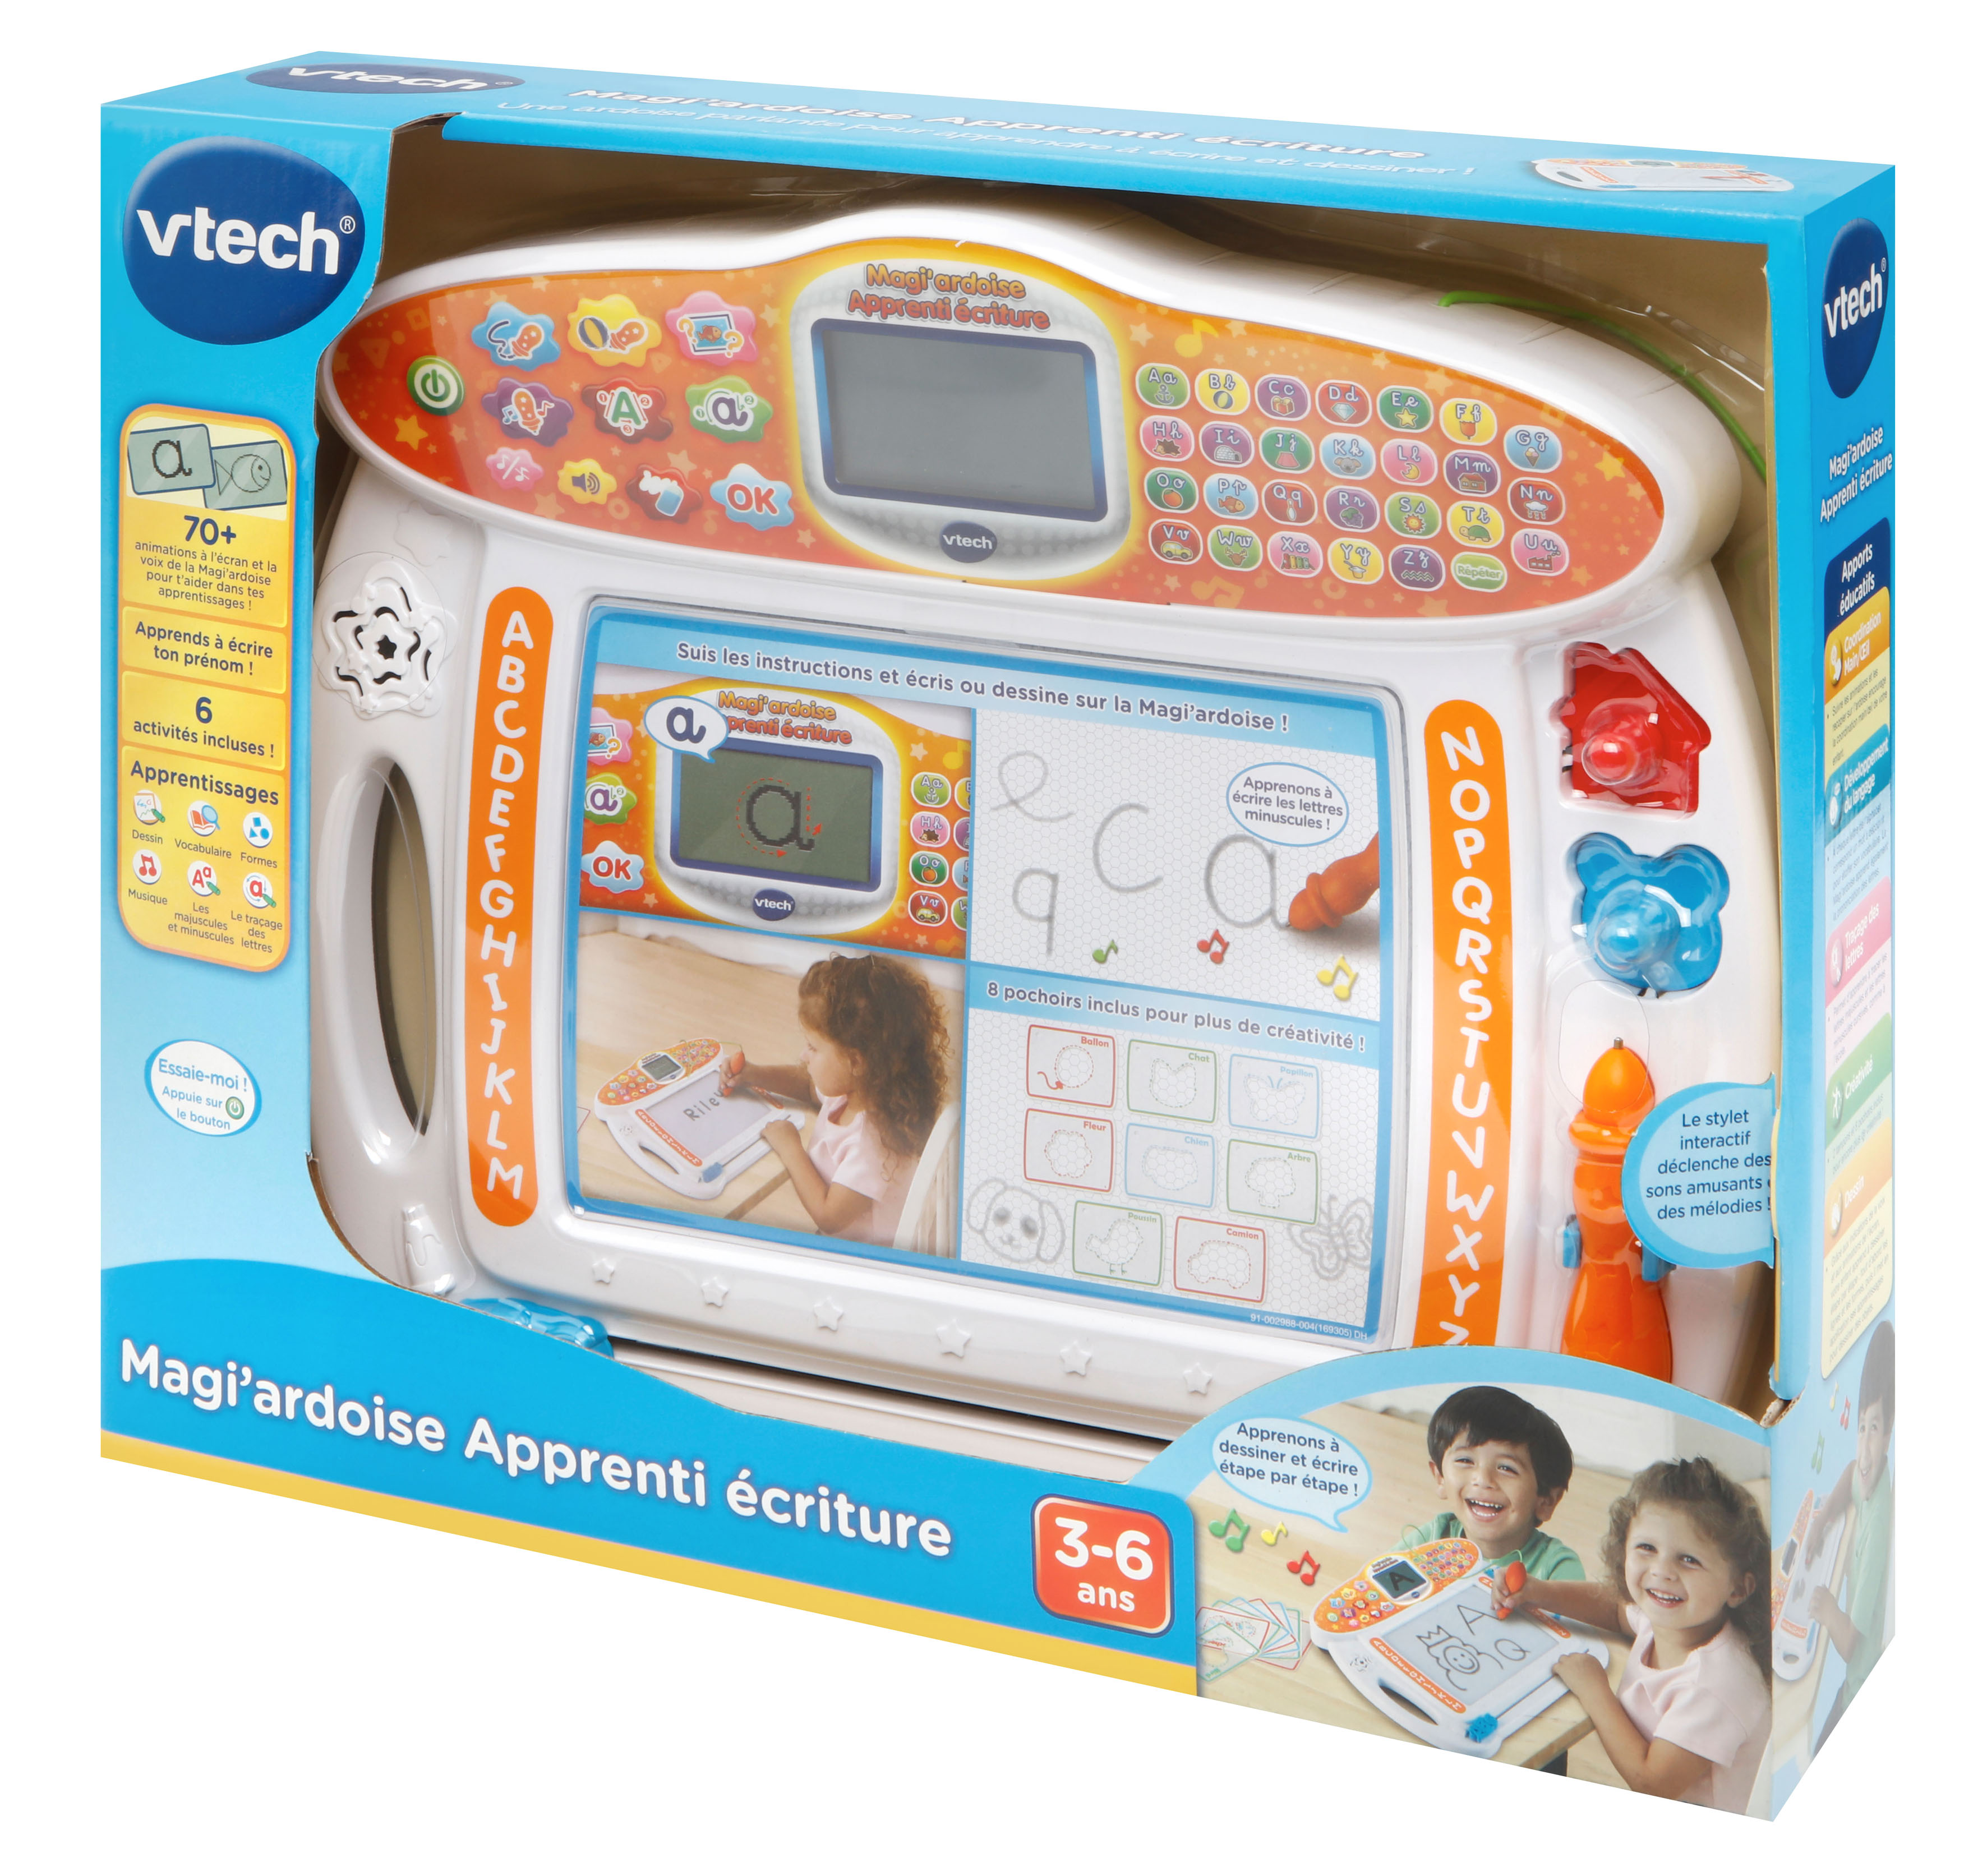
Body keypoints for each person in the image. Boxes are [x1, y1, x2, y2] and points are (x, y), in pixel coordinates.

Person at [1499, 1456, 1772, 1810]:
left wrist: (1594, 1689)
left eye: (1689, 1559)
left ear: (1738, 1588)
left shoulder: (1715, 1686)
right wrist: (1539, 1592)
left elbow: (1652, 1783)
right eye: (1647, 1548)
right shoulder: (1672, 1621)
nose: (1662, 1571)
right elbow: (1616, 1610)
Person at [721, 952, 949, 1250]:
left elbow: (829, 1217)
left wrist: (790, 1147)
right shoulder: (858, 1090)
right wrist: (755, 1075)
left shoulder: (874, 1142)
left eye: (813, 1047)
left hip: (870, 1258)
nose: (804, 1056)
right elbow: (807, 1085)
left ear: (856, 1062)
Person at [1808, 1317, 1894, 1748]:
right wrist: (1824, 1517)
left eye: (1873, 1428)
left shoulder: (1880, 1522)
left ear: (1889, 1432)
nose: (1863, 1448)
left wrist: (1826, 1609)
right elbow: (1848, 1473)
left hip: (1861, 1692)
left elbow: (1849, 1644)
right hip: (1851, 1684)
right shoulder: (1869, 1476)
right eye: (1860, 1427)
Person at [1401, 1385, 1585, 1583]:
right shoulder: (1433, 1538)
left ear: (1546, 1501)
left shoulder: (1556, 1566)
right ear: (1440, 1477)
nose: (1483, 1479)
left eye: (1507, 1468)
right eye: (1465, 1460)